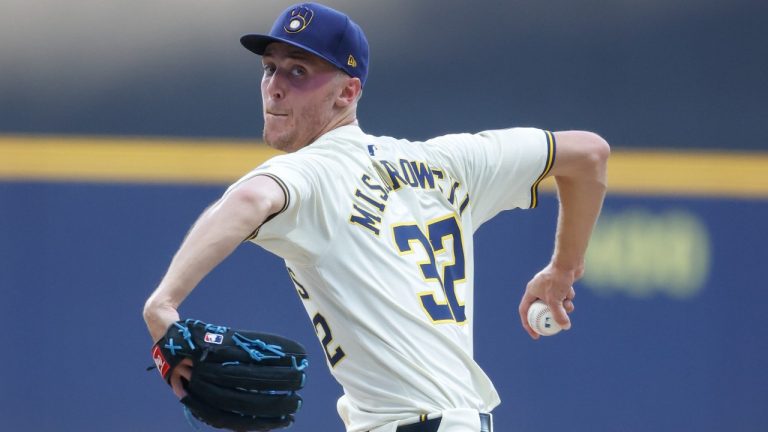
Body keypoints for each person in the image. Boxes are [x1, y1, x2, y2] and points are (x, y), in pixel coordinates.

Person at [143, 3, 609, 432]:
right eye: (269, 68)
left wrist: (163, 303)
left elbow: (248, 202)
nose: (275, 86)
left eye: (299, 71)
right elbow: (589, 154)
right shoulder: (450, 162)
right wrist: (563, 269)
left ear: (348, 92)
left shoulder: (312, 171)